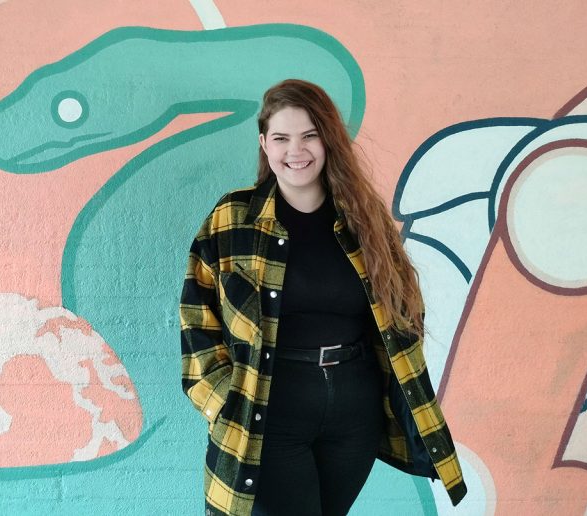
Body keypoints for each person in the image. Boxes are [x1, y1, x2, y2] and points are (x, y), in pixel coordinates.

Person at [180, 79, 467, 515]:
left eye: (309, 135)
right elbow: (196, 315)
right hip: (269, 410)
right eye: (281, 138)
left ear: (328, 140)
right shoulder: (232, 218)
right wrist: (224, 399)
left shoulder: (364, 219)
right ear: (264, 143)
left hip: (354, 413)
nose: (295, 150)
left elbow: (404, 309)